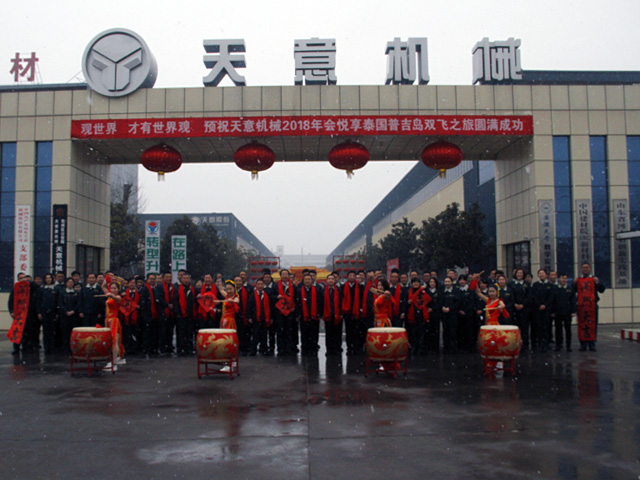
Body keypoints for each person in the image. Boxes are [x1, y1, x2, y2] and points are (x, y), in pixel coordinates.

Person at [573, 262, 606, 352]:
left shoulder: (594, 279)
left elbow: (602, 290)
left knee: (592, 324)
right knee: (582, 324)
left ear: (590, 268)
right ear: (581, 269)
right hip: (582, 306)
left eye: (587, 267)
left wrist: (598, 282)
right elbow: (572, 291)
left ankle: (592, 343)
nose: (585, 269)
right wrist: (574, 284)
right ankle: (583, 344)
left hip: (592, 306)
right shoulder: (578, 280)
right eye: (584, 267)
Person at [296, 273, 322, 356]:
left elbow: (320, 303)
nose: (307, 281)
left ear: (312, 280)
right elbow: (297, 304)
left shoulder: (317, 290)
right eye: (306, 279)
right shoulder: (299, 291)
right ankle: (305, 348)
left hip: (314, 316)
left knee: (314, 333)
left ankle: (313, 348)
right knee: (304, 333)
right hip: (303, 316)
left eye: (309, 279)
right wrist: (297, 314)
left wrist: (319, 314)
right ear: (303, 281)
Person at [530, 268, 555, 352]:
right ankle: (540, 343)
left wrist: (545, 305)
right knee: (538, 327)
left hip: (547, 310)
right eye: (540, 273)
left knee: (546, 327)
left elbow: (551, 297)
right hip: (537, 309)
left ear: (546, 275)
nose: (541, 275)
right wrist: (539, 305)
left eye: (543, 273)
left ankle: (546, 343)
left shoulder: (550, 285)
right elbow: (534, 296)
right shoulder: (535, 285)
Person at [102, 280, 125, 370]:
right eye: (111, 288)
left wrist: (111, 295)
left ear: (118, 289)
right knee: (113, 340)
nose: (112, 290)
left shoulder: (118, 297)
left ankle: (113, 361)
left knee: (114, 340)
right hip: (108, 320)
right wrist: (106, 281)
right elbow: (103, 287)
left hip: (114, 320)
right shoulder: (109, 295)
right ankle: (115, 358)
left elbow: (116, 298)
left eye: (115, 288)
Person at [406, 277, 431, 355]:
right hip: (412, 315)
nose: (415, 284)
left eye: (417, 282)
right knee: (413, 333)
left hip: (421, 315)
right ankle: (414, 347)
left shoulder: (423, 291)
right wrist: (408, 302)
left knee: (421, 333)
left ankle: (421, 348)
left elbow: (429, 299)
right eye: (414, 282)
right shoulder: (408, 291)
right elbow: (404, 302)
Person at [275, 269, 297, 356]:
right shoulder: (276, 286)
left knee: (289, 331)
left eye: (286, 274)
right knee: (280, 331)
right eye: (283, 274)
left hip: (290, 312)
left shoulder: (293, 286)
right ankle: (281, 349)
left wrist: (294, 307)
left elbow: (296, 298)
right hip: (279, 312)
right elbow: (271, 296)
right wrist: (277, 297)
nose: (284, 276)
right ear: (280, 276)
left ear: (288, 276)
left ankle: (289, 348)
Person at [551, 273, 576, 352]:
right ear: (559, 279)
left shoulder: (570, 289)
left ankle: (568, 346)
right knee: (558, 330)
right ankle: (558, 345)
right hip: (558, 312)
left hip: (567, 313)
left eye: (565, 278)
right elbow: (552, 301)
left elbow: (573, 301)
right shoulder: (555, 288)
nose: (564, 280)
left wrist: (573, 311)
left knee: (568, 330)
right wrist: (553, 311)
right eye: (562, 278)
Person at [248, 278, 272, 356]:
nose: (260, 286)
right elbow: (249, 306)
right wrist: (249, 317)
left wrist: (270, 317)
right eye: (258, 284)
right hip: (255, 318)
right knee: (255, 335)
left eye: (261, 284)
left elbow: (270, 307)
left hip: (264, 318)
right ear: (256, 285)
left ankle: (264, 349)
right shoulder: (252, 295)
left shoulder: (266, 295)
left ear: (263, 285)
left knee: (264, 335)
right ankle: (253, 350)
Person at [174, 272, 196, 356]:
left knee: (189, 332)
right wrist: (177, 313)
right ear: (181, 279)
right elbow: (176, 302)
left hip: (190, 314)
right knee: (181, 332)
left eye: (187, 278)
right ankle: (181, 348)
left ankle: (189, 348)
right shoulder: (178, 289)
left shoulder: (192, 289)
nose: (186, 280)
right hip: (181, 314)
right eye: (184, 278)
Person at [342, 270, 363, 355]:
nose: (352, 277)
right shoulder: (343, 287)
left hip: (357, 312)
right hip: (347, 312)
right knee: (348, 331)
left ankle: (356, 348)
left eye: (353, 276)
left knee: (356, 331)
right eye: (350, 275)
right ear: (347, 277)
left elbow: (362, 299)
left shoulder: (360, 287)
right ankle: (349, 348)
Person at [509, 268, 531, 351]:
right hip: (514, 309)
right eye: (518, 273)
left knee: (525, 328)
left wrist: (522, 305)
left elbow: (528, 296)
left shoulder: (526, 284)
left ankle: (525, 345)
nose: (519, 274)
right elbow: (510, 296)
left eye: (521, 273)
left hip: (524, 309)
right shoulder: (511, 284)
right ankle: (515, 344)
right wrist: (514, 304)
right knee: (515, 328)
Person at [37, 273, 58, 355]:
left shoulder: (56, 289)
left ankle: (52, 348)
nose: (48, 280)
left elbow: (58, 301)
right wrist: (39, 312)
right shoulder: (41, 289)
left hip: (53, 313)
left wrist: (57, 312)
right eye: (47, 278)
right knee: (45, 331)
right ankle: (46, 348)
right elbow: (38, 301)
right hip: (44, 313)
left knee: (53, 331)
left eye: (49, 278)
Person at [58, 277, 80, 355]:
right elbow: (60, 303)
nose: (70, 284)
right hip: (65, 315)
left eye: (71, 282)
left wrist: (73, 311)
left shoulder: (76, 293)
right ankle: (65, 348)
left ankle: (73, 348)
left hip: (74, 315)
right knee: (65, 332)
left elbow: (78, 303)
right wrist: (66, 311)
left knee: (73, 332)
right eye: (69, 282)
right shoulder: (62, 292)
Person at [322, 273, 343, 356]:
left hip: (337, 314)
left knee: (337, 333)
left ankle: (337, 349)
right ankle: (329, 350)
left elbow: (341, 302)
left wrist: (341, 313)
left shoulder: (339, 290)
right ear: (326, 280)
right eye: (329, 279)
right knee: (329, 333)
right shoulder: (323, 290)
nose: (331, 280)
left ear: (335, 280)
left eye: (332, 279)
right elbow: (321, 303)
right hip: (328, 315)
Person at [156, 272, 175, 355]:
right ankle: (162, 348)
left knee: (170, 331)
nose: (168, 279)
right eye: (167, 277)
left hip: (171, 313)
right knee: (162, 331)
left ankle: (169, 347)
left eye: (170, 277)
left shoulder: (172, 287)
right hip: (163, 312)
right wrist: (167, 305)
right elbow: (158, 298)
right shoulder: (160, 287)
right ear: (163, 278)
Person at [440, 277, 460, 354]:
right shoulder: (442, 291)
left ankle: (453, 348)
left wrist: (450, 308)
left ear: (451, 282)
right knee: (445, 331)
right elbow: (439, 301)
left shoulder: (456, 291)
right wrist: (442, 307)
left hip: (453, 314)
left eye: (448, 281)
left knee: (453, 331)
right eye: (446, 281)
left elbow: (458, 302)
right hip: (444, 314)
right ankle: (446, 347)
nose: (447, 283)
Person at [425, 277, 441, 353]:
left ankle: (435, 347)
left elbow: (440, 302)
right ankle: (428, 347)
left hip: (436, 313)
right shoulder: (426, 291)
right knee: (428, 330)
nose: (432, 283)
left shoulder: (439, 291)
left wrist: (433, 309)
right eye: (431, 282)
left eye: (433, 282)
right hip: (427, 313)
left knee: (436, 330)